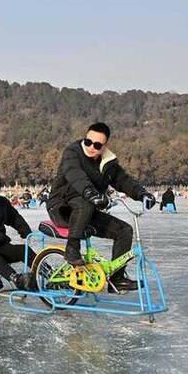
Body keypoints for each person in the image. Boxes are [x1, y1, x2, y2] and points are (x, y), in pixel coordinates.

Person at [46, 122, 156, 291]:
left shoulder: (108, 162)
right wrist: (91, 194)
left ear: (105, 146)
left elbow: (123, 180)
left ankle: (117, 279)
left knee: (124, 230)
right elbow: (76, 175)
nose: (91, 147)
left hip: (88, 209)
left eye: (97, 145)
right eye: (88, 142)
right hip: (61, 208)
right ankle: (72, 248)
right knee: (85, 203)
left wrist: (142, 194)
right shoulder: (72, 153)